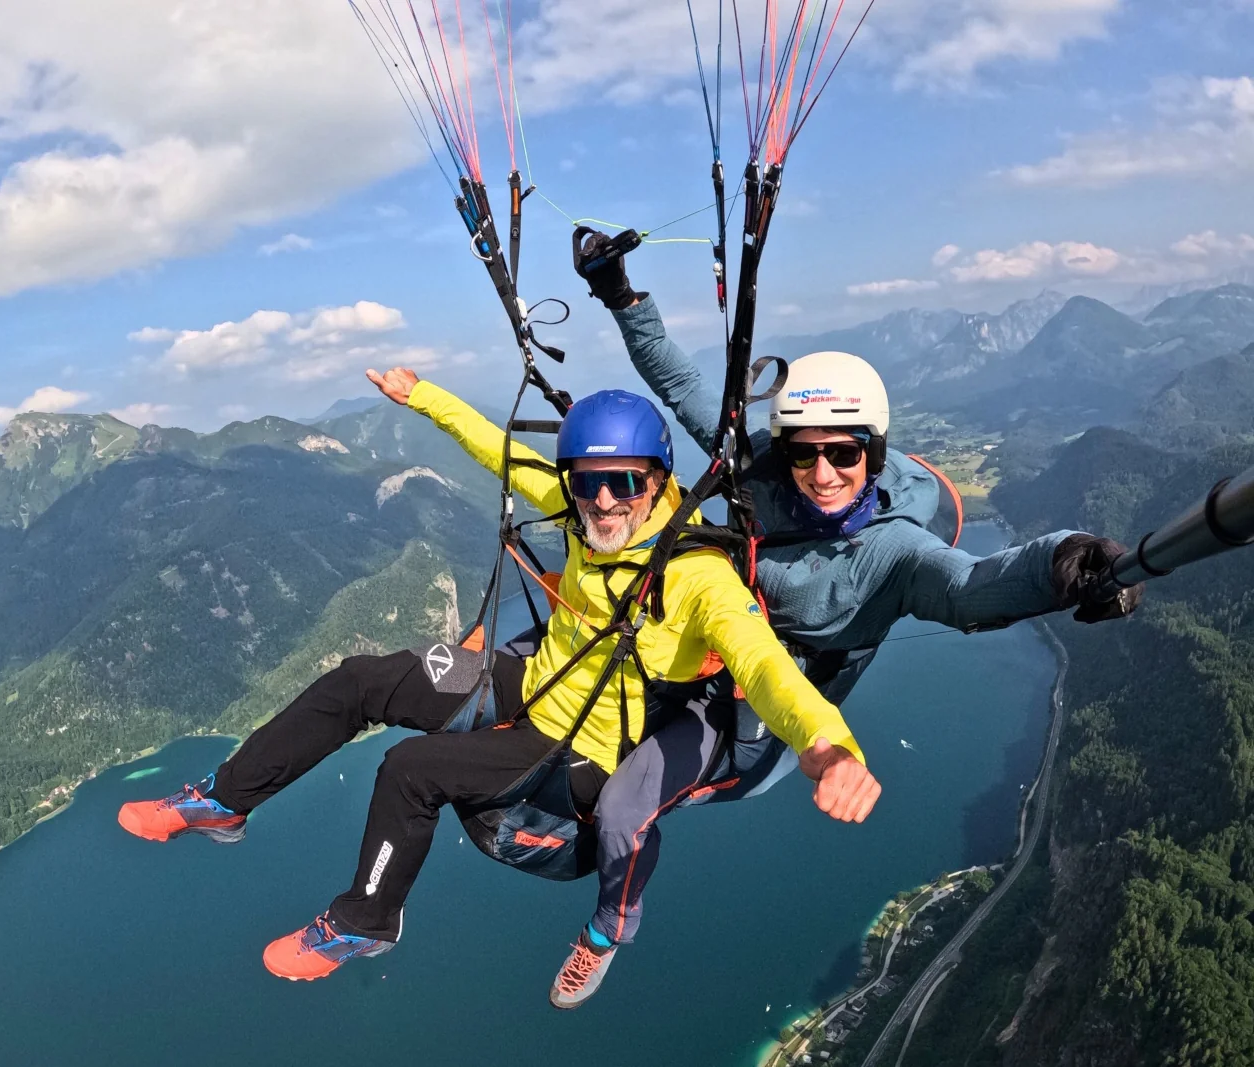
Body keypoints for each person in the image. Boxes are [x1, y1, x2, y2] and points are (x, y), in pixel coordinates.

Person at [118, 371, 882, 982]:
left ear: (657, 481)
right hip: (534, 681)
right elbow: (499, 450)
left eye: (624, 482)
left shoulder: (697, 577)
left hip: (578, 745)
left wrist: (827, 746)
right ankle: (225, 798)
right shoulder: (582, 510)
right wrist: (423, 395)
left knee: (411, 769)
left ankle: (364, 921)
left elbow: (765, 665)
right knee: (359, 679)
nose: (604, 501)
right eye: (587, 482)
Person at [547, 234, 1141, 1008]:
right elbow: (680, 380)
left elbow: (970, 586)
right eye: (805, 454)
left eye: (846, 453)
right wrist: (620, 292)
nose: (823, 473)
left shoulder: (892, 551)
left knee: (636, 789)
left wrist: (1068, 561)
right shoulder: (758, 474)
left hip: (769, 712)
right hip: (707, 646)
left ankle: (606, 922)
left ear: (873, 452)